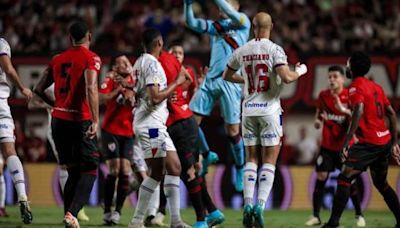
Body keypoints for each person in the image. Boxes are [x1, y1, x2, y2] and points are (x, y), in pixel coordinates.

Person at [223, 12, 307, 227]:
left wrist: (249, 82)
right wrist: (300, 71)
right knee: (269, 160)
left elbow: (227, 76)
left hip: (249, 110)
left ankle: (247, 204)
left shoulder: (242, 50)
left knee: (251, 158)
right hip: (269, 110)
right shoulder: (274, 49)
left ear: (253, 26)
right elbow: (287, 78)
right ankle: (260, 206)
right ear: (272, 26)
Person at [34, 21, 101, 228]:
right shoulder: (91, 58)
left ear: (69, 37)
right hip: (79, 120)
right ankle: (72, 213)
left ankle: (68, 217)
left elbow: (38, 88)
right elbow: (91, 88)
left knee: (72, 170)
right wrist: (96, 120)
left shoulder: (57, 59)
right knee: (90, 167)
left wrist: (58, 105)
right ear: (89, 36)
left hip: (58, 121)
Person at [322, 52, 400, 228]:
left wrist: (347, 141)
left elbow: (358, 110)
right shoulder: (376, 86)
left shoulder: (356, 86)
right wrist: (394, 142)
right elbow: (392, 114)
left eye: (348, 63)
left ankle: (333, 223)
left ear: (353, 67)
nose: (346, 66)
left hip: (369, 143)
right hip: (384, 141)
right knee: (381, 183)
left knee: (344, 177)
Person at [184, 0, 251, 191]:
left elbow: (230, 11)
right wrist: (187, 5)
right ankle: (206, 154)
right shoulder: (217, 27)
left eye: (226, 4)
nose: (222, 8)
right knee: (189, 121)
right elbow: (192, 23)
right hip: (211, 79)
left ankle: (240, 167)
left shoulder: (243, 22)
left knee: (232, 131)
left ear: (236, 7)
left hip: (230, 81)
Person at [128, 28, 190, 228]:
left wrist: (166, 94)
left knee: (163, 170)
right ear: (160, 43)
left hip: (150, 123)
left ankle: (146, 221)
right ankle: (172, 221)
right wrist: (176, 83)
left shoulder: (140, 62)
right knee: (171, 168)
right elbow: (155, 98)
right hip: (151, 125)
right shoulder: (153, 63)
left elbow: (147, 95)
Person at [305, 66, 365, 227]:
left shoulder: (350, 95)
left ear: (342, 79)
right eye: (329, 76)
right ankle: (316, 215)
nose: (331, 79)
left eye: (335, 77)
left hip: (344, 147)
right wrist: (317, 121)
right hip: (327, 146)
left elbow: (356, 119)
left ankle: (359, 214)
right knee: (321, 176)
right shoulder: (323, 95)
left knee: (349, 180)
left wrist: (342, 110)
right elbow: (318, 114)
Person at [28, 84, 90, 222]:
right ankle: (72, 208)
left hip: (76, 126)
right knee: (66, 165)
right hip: (57, 128)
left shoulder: (77, 77)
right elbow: (31, 104)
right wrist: (50, 105)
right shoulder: (50, 82)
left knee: (80, 165)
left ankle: (75, 207)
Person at [169, 44, 220, 177]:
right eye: (174, 52)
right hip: (169, 124)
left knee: (194, 166)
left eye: (180, 53)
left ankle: (204, 162)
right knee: (170, 168)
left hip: (184, 123)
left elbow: (194, 96)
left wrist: (202, 85)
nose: (177, 55)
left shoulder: (189, 73)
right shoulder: (163, 72)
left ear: (183, 57)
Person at [99, 53, 135, 226]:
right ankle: (107, 209)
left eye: (128, 61)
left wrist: (130, 94)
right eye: (122, 62)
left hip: (128, 132)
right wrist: (118, 90)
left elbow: (135, 101)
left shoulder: (135, 81)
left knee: (125, 170)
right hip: (110, 130)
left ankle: (118, 212)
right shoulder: (110, 79)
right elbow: (102, 98)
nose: (127, 64)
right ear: (115, 68)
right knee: (114, 170)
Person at [0, 37, 33, 224]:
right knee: (9, 151)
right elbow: (8, 68)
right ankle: (22, 195)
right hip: (1, 104)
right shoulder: (1, 43)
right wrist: (22, 88)